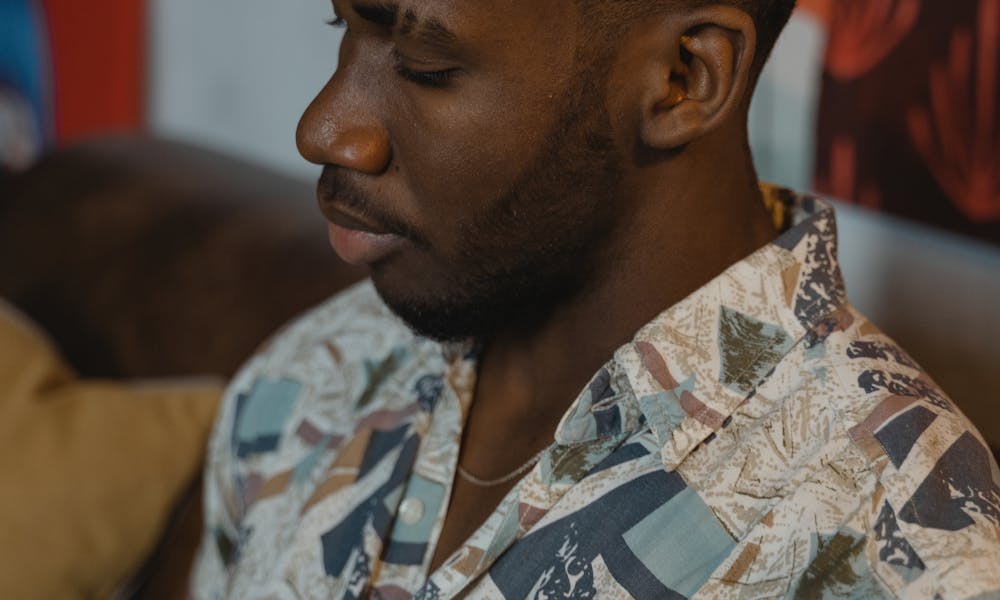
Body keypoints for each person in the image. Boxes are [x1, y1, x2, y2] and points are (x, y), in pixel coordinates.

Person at [191, 0, 1000, 597]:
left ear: (683, 78)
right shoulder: (308, 379)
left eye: (426, 66)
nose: (323, 129)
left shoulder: (895, 548)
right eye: (342, 26)